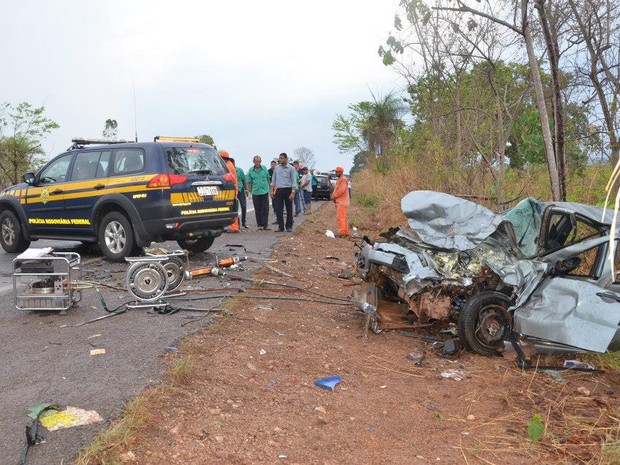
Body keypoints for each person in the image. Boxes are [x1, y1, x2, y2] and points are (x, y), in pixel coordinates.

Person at [271, 152, 297, 232]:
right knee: (278, 209)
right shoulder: (277, 168)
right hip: (278, 190)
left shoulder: (291, 168)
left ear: (286, 159)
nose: (280, 160)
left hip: (288, 190)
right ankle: (280, 227)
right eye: (279, 158)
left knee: (289, 209)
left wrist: (293, 193)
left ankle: (289, 226)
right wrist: (271, 191)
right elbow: (273, 180)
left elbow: (293, 182)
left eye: (281, 158)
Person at [246, 155, 271, 230]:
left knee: (265, 208)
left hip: (264, 191)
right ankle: (259, 224)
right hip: (256, 192)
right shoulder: (251, 170)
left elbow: (268, 179)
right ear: (253, 162)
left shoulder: (264, 168)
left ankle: (265, 224)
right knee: (257, 209)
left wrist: (270, 190)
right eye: (256, 161)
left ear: (260, 162)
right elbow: (249, 182)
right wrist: (249, 192)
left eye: (258, 161)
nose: (257, 163)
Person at [219, 150, 240, 233]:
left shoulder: (228, 166)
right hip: (232, 189)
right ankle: (233, 226)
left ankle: (234, 227)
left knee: (232, 209)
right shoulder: (228, 165)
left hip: (231, 190)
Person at [331, 166, 350, 238]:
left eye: (337, 171)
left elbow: (341, 190)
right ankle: (345, 232)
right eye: (335, 171)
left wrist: (334, 196)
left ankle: (342, 233)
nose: (335, 173)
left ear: (341, 172)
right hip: (341, 201)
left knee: (340, 217)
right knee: (343, 217)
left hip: (342, 202)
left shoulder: (343, 179)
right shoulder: (340, 179)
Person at [235, 163, 248, 228]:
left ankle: (244, 222)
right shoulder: (227, 170)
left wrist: (246, 189)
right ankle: (237, 223)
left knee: (244, 206)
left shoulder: (239, 170)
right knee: (235, 208)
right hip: (234, 191)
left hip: (241, 190)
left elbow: (243, 180)